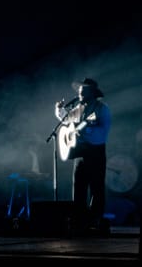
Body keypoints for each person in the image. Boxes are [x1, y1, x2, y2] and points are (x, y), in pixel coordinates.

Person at [55, 77, 112, 234]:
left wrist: (86, 130)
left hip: (95, 153)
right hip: (80, 154)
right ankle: (80, 221)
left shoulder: (102, 109)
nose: (79, 94)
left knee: (96, 188)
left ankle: (95, 220)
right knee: (79, 187)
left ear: (91, 93)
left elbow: (103, 132)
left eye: (82, 91)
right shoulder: (78, 108)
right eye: (79, 91)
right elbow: (66, 120)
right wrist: (60, 110)